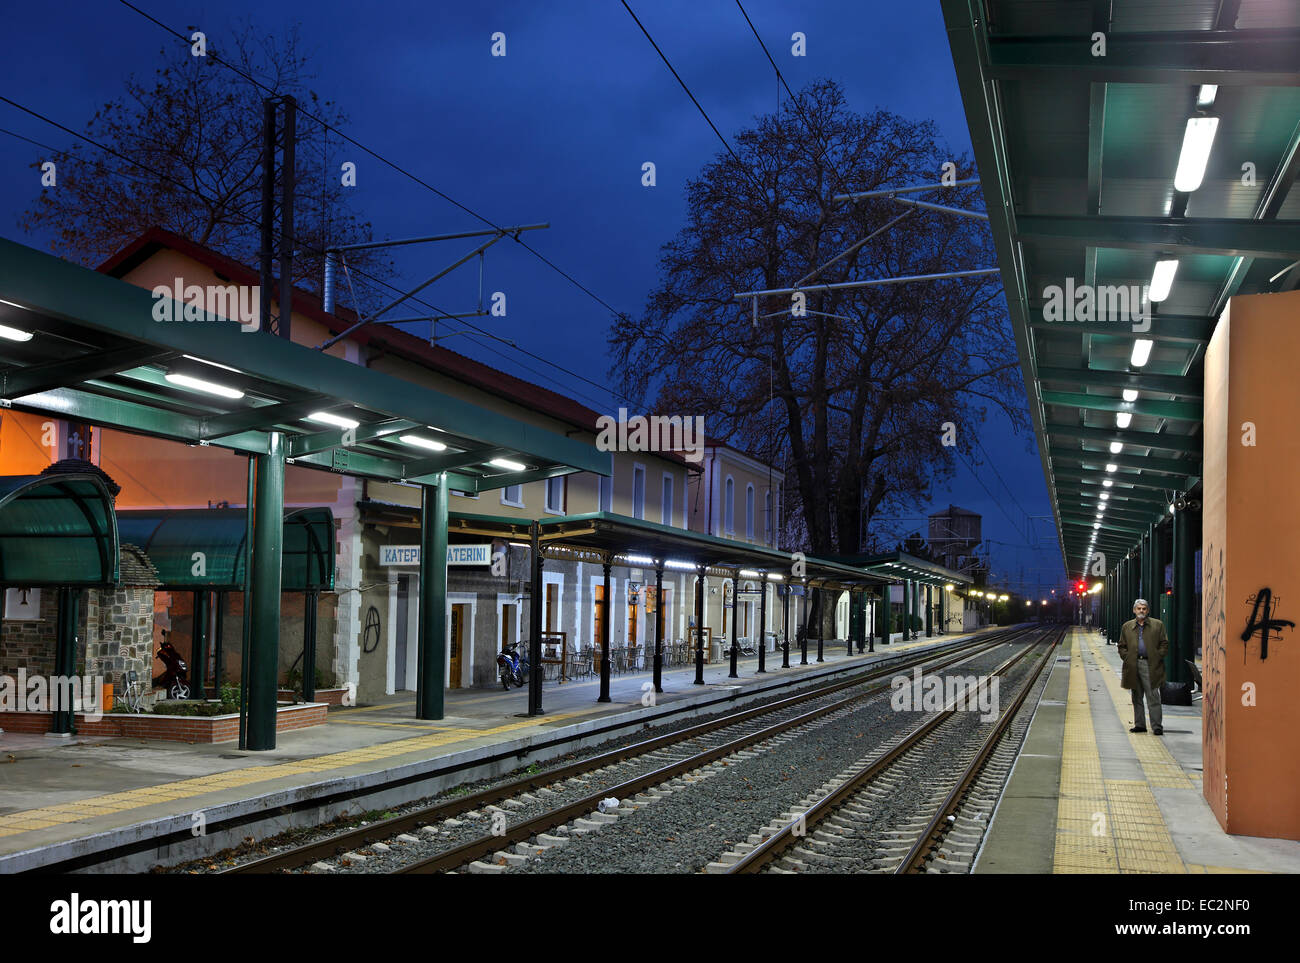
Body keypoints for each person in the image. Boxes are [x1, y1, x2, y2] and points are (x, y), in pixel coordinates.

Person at [1117, 598, 1169, 734]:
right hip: (1133, 665)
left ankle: (1157, 726)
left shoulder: (1158, 625)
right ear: (1134, 610)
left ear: (1148, 610)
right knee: (1136, 696)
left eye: (1144, 608)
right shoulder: (1127, 626)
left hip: (1150, 664)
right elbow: (1121, 645)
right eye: (1139, 608)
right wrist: (1126, 657)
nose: (1141, 611)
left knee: (1153, 696)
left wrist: (1158, 656)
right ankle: (1140, 724)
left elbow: (1164, 643)